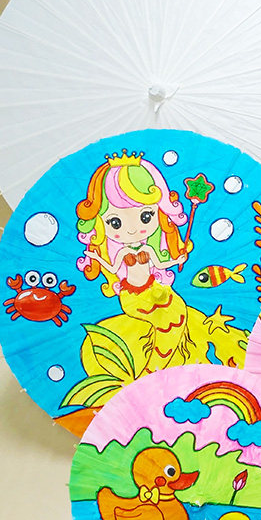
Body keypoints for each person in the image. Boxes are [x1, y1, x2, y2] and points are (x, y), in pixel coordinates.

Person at [76, 150, 191, 373]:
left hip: (154, 288)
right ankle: (151, 372)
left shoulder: (147, 248)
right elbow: (112, 267)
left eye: (146, 216)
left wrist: (177, 258)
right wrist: (96, 257)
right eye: (115, 222)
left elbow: (160, 264)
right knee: (161, 326)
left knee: (178, 315)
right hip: (132, 296)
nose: (131, 229)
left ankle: (161, 368)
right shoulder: (121, 253)